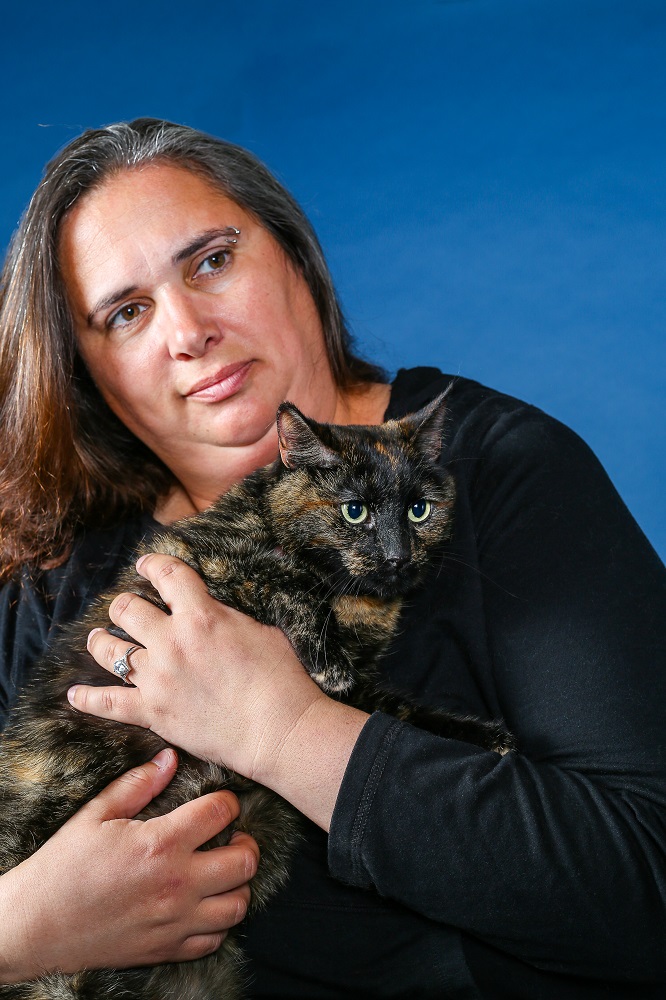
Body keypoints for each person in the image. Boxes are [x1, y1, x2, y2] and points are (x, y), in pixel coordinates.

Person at [0, 118, 664, 1000]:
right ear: (88, 372)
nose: (188, 330)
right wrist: (21, 929)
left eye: (210, 261)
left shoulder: (499, 470)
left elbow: (648, 893)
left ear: (296, 258)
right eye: (126, 313)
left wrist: (288, 734)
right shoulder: (59, 565)